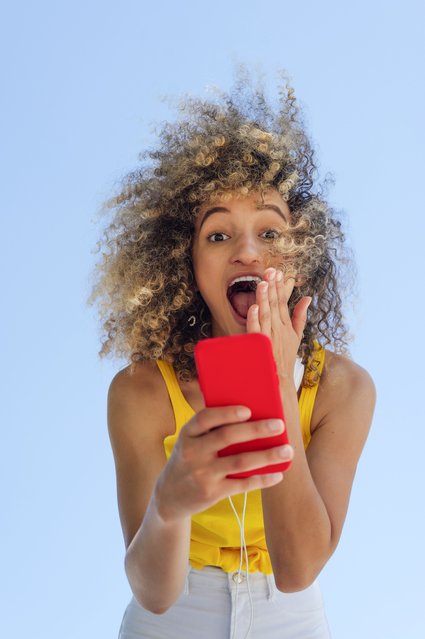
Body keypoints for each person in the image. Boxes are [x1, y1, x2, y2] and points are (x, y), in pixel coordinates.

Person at [89, 68, 376, 638]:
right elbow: (154, 593)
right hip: (175, 613)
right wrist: (168, 506)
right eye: (219, 235)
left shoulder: (343, 388)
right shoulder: (141, 391)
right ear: (185, 266)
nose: (247, 251)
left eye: (270, 233)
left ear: (301, 255)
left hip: (290, 614)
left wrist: (274, 388)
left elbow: (297, 569)